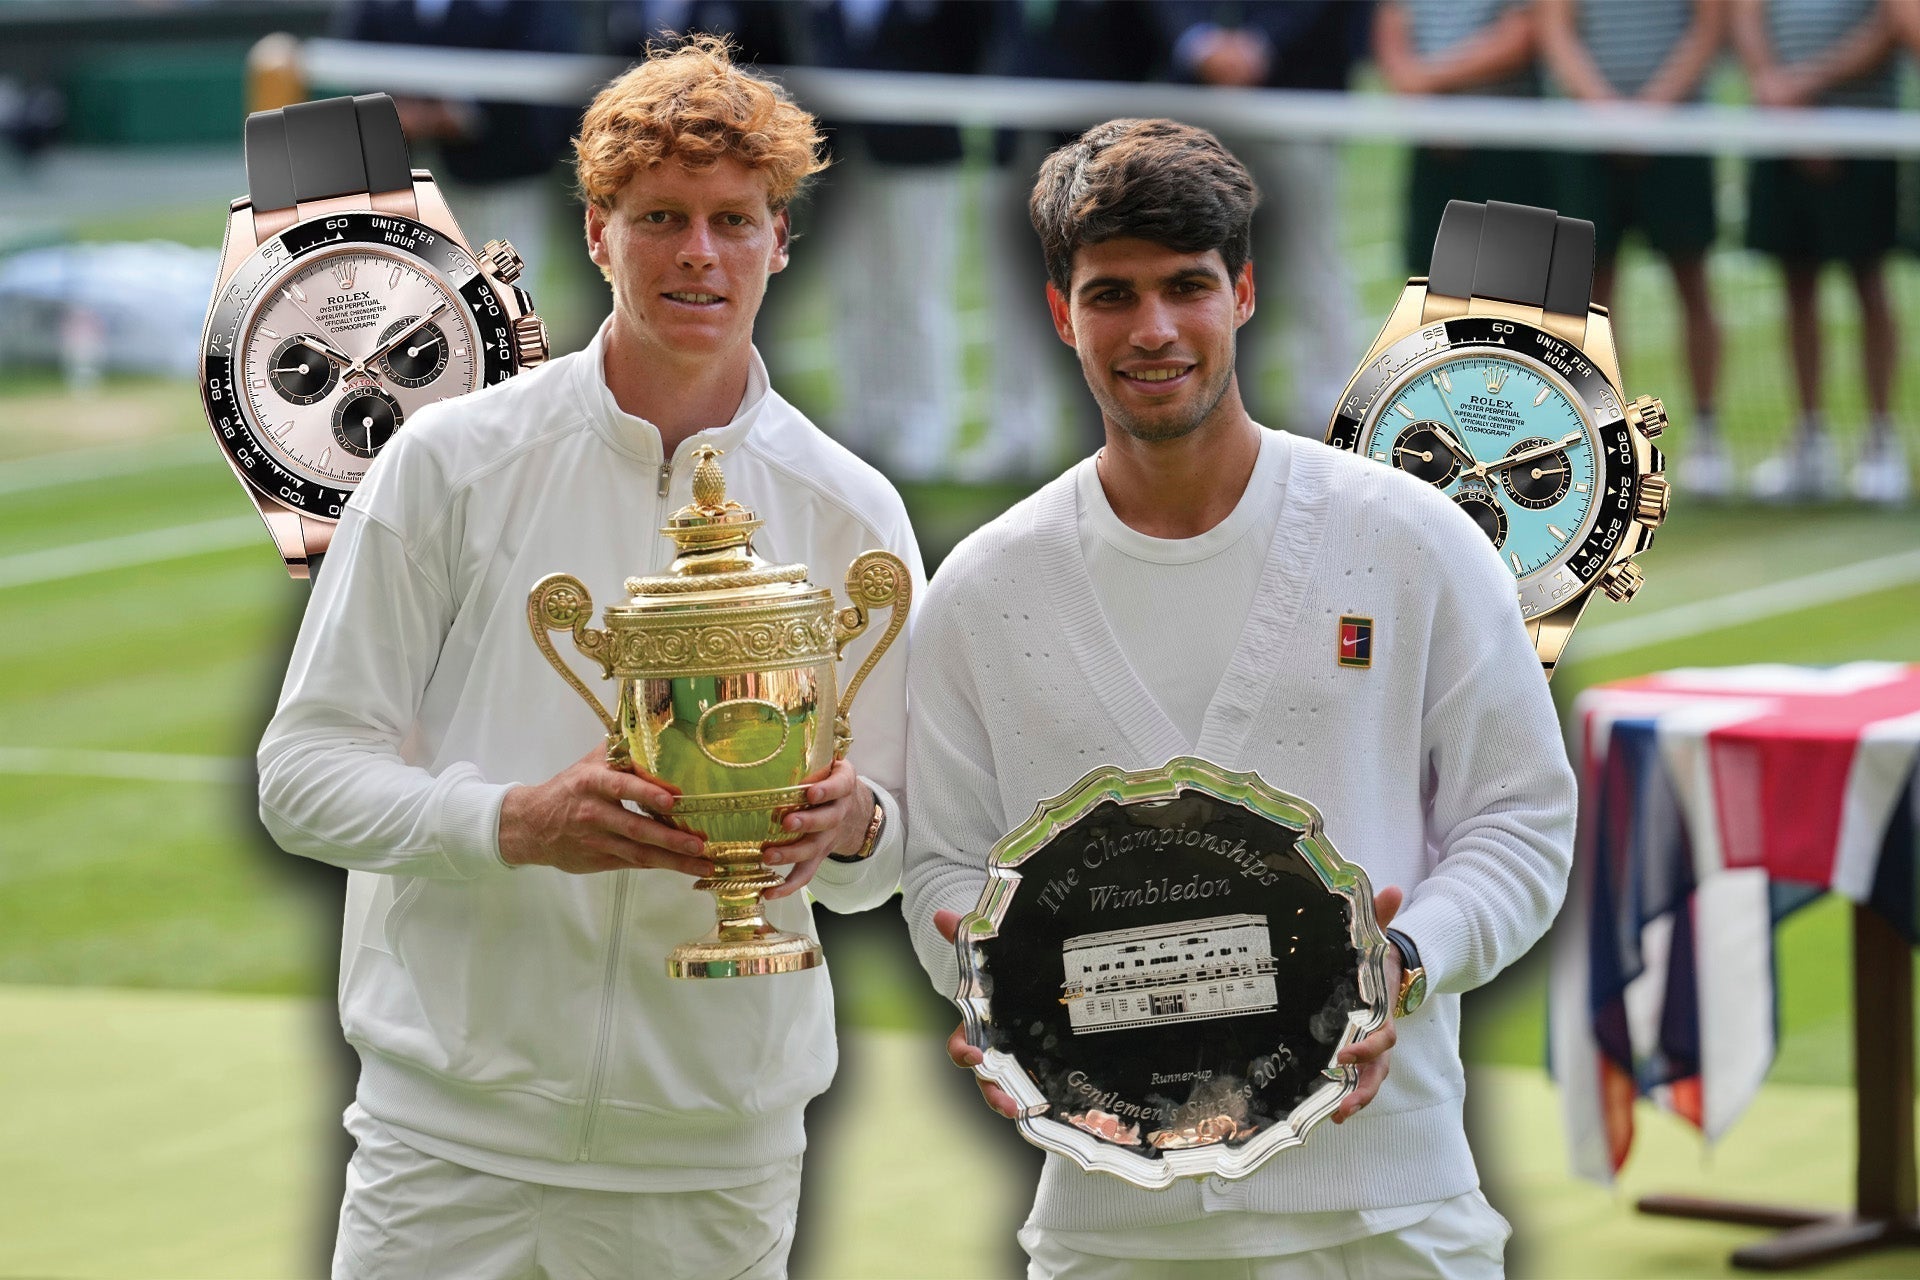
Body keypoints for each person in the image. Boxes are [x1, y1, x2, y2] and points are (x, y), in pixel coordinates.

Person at [256, 36, 921, 1278]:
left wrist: (852, 822)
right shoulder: (449, 462)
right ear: (597, 230)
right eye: (660, 216)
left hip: (713, 1155)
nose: (698, 254)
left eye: (734, 220)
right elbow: (302, 776)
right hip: (447, 1148)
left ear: (783, 238)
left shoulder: (852, 509)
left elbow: (885, 853)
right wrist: (514, 820)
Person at [901, 118, 1575, 1277]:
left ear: (1244, 292)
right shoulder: (984, 587)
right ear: (1063, 313)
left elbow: (1522, 821)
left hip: (1388, 1211)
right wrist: (988, 982)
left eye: (1186, 288)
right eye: (1113, 294)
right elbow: (945, 867)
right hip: (1113, 1225)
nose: (1153, 329)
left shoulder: (1411, 541)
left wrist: (1398, 962)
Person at [1539, 0, 1731, 498]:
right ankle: (1605, 439)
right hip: (1591, 130)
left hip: (1677, 128)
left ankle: (1708, 435)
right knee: (1591, 295)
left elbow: (1710, 24)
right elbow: (1556, 25)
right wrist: (1603, 108)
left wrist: (1652, 110)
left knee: (1692, 279)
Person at [1159, 1, 1371, 437]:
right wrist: (1200, 44)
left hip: (1300, 98)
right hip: (1193, 106)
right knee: (1193, 264)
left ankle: (1330, 409)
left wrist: (1260, 44)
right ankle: (1205, 403)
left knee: (1312, 262)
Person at [1733, 0, 1906, 504]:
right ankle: (1809, 439)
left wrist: (1807, 83)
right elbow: (1746, 13)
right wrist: (1774, 86)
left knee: (1868, 282)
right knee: (1797, 285)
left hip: (1862, 128)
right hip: (1780, 126)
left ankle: (1880, 441)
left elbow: (1893, 23)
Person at [1373, 0, 1555, 275]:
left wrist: (1426, 81)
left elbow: (1523, 33)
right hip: (1433, 146)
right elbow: (1392, 26)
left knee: (1513, 285)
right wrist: (1425, 108)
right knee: (1432, 281)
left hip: (1505, 146)